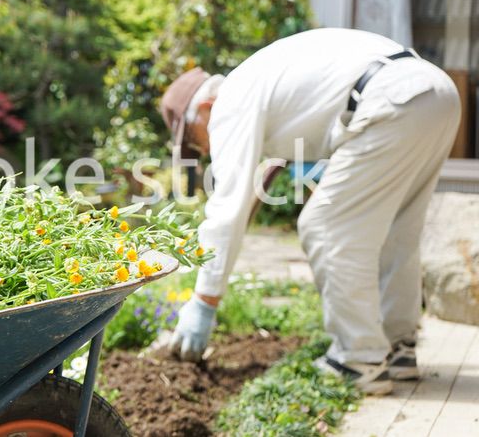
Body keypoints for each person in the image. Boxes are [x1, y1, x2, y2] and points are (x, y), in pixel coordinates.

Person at [160, 28, 460, 395]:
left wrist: (204, 301)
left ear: (203, 110)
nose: (203, 151)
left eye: (194, 140)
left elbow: (227, 208)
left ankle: (358, 359)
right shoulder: (262, 78)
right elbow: (261, 182)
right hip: (434, 92)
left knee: (325, 225)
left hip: (389, 101)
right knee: (398, 231)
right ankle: (398, 348)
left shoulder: (230, 103)